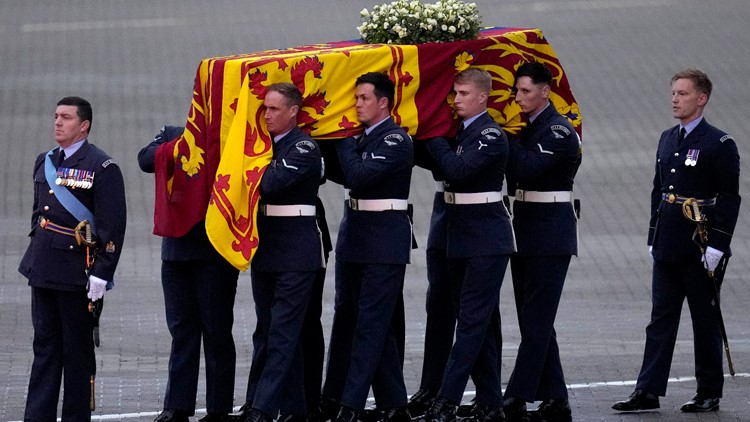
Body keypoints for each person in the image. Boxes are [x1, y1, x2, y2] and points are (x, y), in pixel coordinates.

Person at [612, 68, 740, 414]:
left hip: (700, 245)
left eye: (683, 94)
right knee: (660, 319)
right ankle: (648, 390)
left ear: (702, 99)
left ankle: (708, 391)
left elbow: (729, 197)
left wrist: (718, 245)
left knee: (704, 319)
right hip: (669, 242)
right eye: (673, 93)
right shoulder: (668, 138)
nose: (675, 99)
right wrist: (653, 235)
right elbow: (660, 190)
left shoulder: (719, 143)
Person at [19, 96, 127, 421]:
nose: (57, 122)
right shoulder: (45, 160)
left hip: (76, 272)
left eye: (65, 117)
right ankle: (37, 416)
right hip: (43, 269)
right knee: (44, 348)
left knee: (77, 354)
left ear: (84, 125)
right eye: (55, 116)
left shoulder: (102, 167)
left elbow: (113, 226)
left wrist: (102, 273)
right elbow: (39, 213)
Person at [417, 67, 514, 422]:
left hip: (487, 240)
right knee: (480, 324)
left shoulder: (489, 135)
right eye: (454, 94)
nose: (455, 100)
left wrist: (434, 137)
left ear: (482, 98)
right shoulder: (459, 132)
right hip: (460, 238)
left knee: (471, 323)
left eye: (462, 94)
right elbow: (432, 161)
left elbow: (456, 171)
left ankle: (447, 400)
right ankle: (490, 402)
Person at [319, 71, 414, 422]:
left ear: (384, 102)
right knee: (352, 319)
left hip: (383, 242)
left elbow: (357, 175)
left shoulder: (395, 140)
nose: (357, 105)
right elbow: (338, 171)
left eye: (364, 99)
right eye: (355, 99)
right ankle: (393, 405)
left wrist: (341, 135)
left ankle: (351, 404)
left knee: (371, 324)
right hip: (355, 236)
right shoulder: (362, 139)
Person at [139, 126, 240, 422]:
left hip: (215, 253)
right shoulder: (175, 133)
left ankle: (218, 409)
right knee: (182, 330)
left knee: (216, 331)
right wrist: (180, 144)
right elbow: (145, 159)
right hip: (176, 252)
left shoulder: (230, 137)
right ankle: (177, 406)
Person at [239, 82, 325, 422]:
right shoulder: (263, 145)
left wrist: (249, 165)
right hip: (267, 248)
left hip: (296, 252)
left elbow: (270, 183)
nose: (267, 114)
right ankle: (293, 409)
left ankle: (262, 408)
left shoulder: (303, 147)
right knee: (267, 329)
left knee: (282, 332)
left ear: (293, 112)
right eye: (265, 108)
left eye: (274, 109)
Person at [501, 62, 581, 422]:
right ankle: (556, 400)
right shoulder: (529, 128)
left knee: (535, 320)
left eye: (525, 91)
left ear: (546, 91)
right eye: (516, 91)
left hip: (550, 236)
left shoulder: (560, 131)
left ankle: (516, 397)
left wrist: (502, 139)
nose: (518, 98)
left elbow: (527, 169)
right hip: (526, 232)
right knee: (535, 320)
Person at [408, 133, 457, 419]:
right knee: (437, 303)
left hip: (478, 211)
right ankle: (431, 385)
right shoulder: (444, 114)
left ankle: (488, 395)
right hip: (444, 206)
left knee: (476, 315)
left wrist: (435, 137)